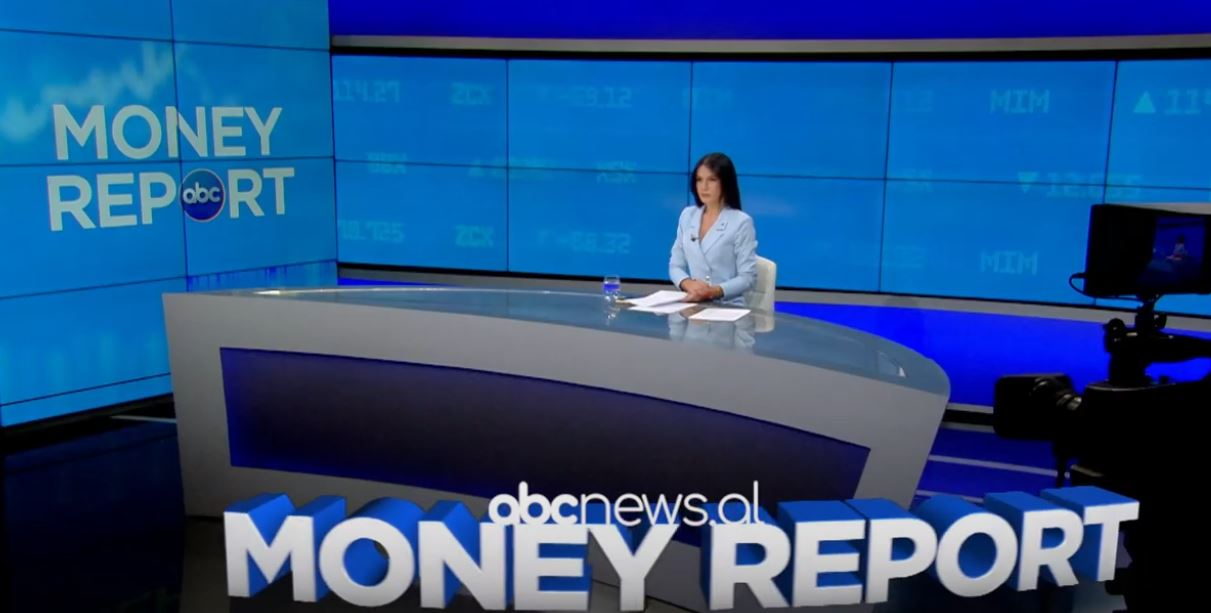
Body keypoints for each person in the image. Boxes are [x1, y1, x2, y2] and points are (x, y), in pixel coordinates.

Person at [669, 152, 758, 306]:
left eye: (712, 180)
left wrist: (712, 291)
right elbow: (675, 265)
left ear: (725, 183)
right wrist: (687, 283)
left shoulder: (741, 222)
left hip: (727, 306)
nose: (704, 187)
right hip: (694, 303)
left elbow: (747, 277)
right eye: (699, 180)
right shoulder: (687, 215)